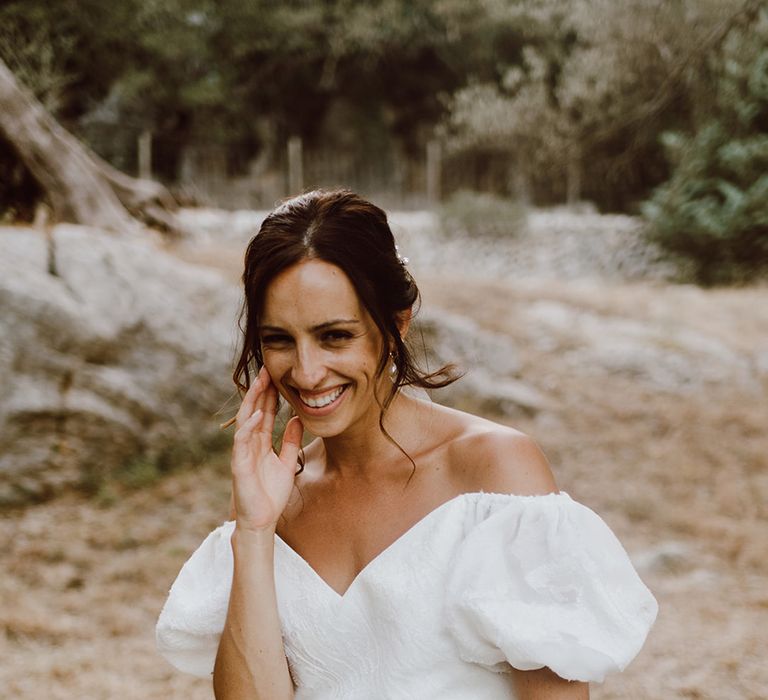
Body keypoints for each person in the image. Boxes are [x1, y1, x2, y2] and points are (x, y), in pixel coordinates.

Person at [156, 189, 658, 700]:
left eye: (335, 337)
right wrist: (254, 530)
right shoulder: (276, 498)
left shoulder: (494, 474)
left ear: (396, 322)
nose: (306, 373)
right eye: (280, 339)